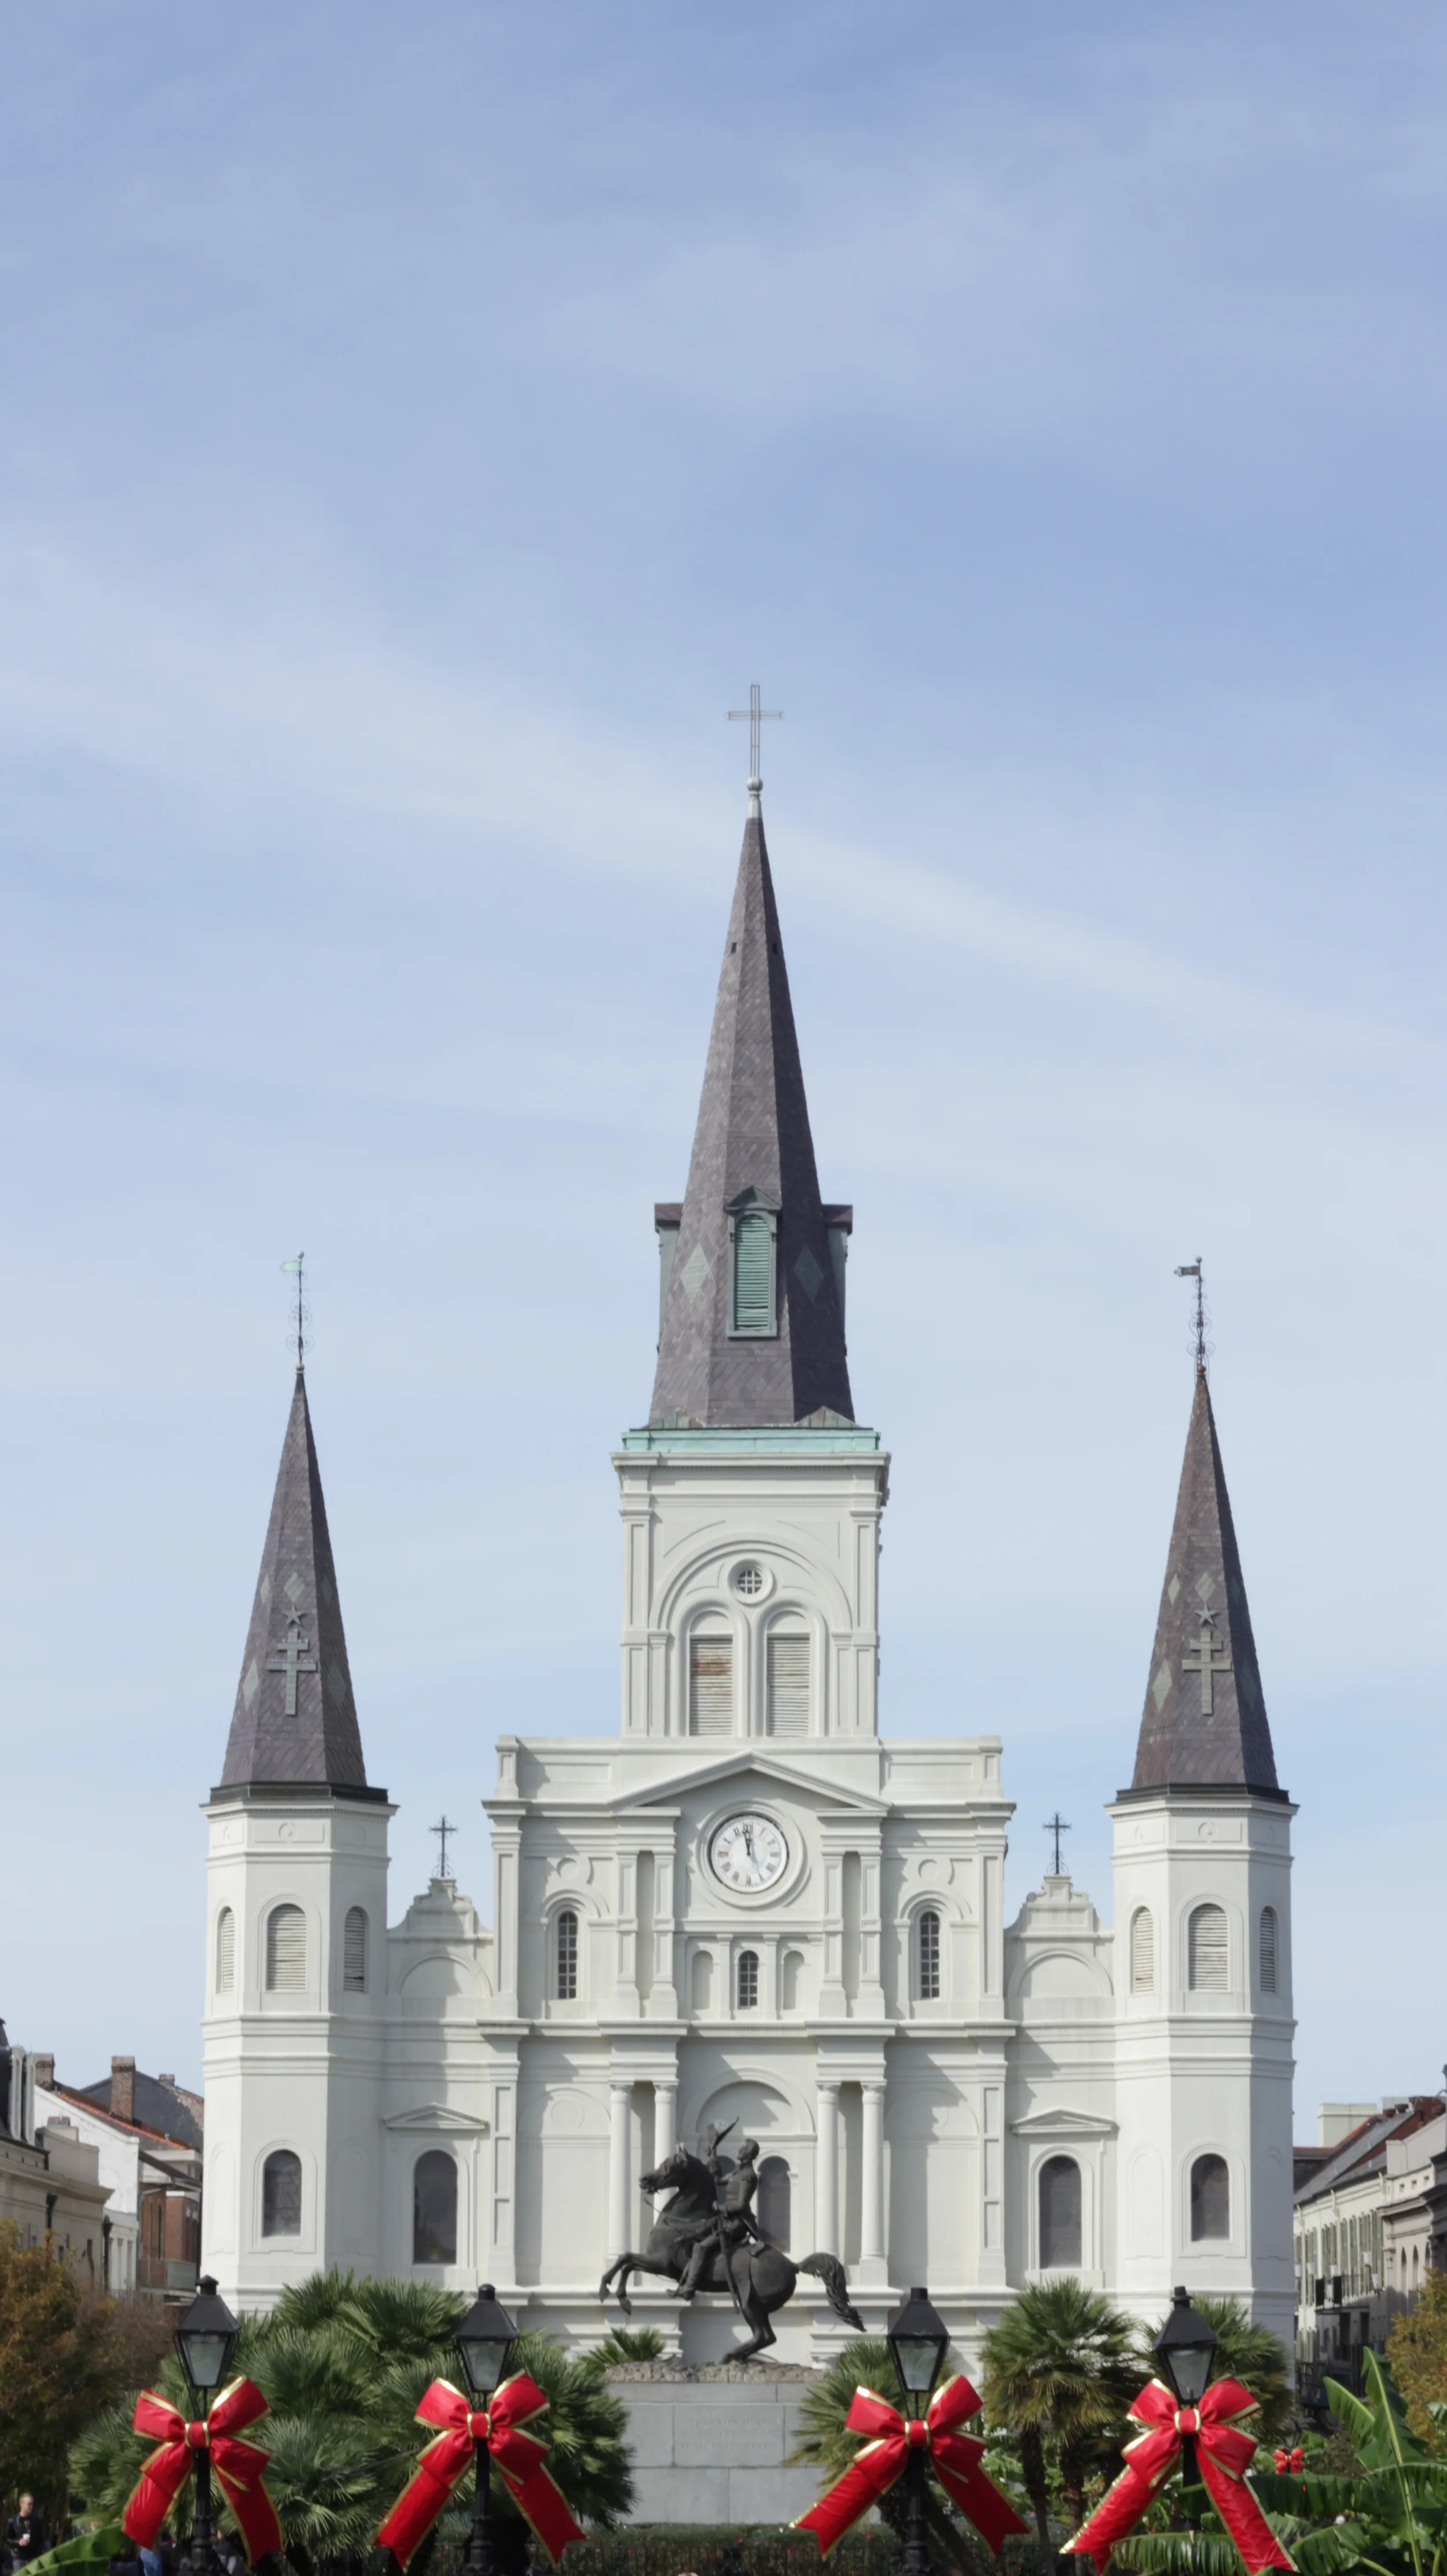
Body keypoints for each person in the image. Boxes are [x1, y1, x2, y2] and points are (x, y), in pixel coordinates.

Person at [678, 2137, 764, 2300]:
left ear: (749, 2154)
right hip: (726, 2219)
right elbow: (717, 2180)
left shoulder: (749, 2176)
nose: (739, 2150)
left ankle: (689, 2289)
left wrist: (720, 2208)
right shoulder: (739, 2170)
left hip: (738, 2223)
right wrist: (713, 2156)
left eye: (743, 2149)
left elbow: (741, 2205)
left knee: (701, 2248)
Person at [6, 2498, 47, 2571]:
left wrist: (38, 2555)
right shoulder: (13, 2521)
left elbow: (40, 2540)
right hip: (19, 2557)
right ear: (21, 2504)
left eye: (32, 2504)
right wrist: (18, 2542)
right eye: (29, 2504)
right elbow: (7, 2539)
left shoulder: (36, 2521)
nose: (31, 2506)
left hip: (33, 2558)